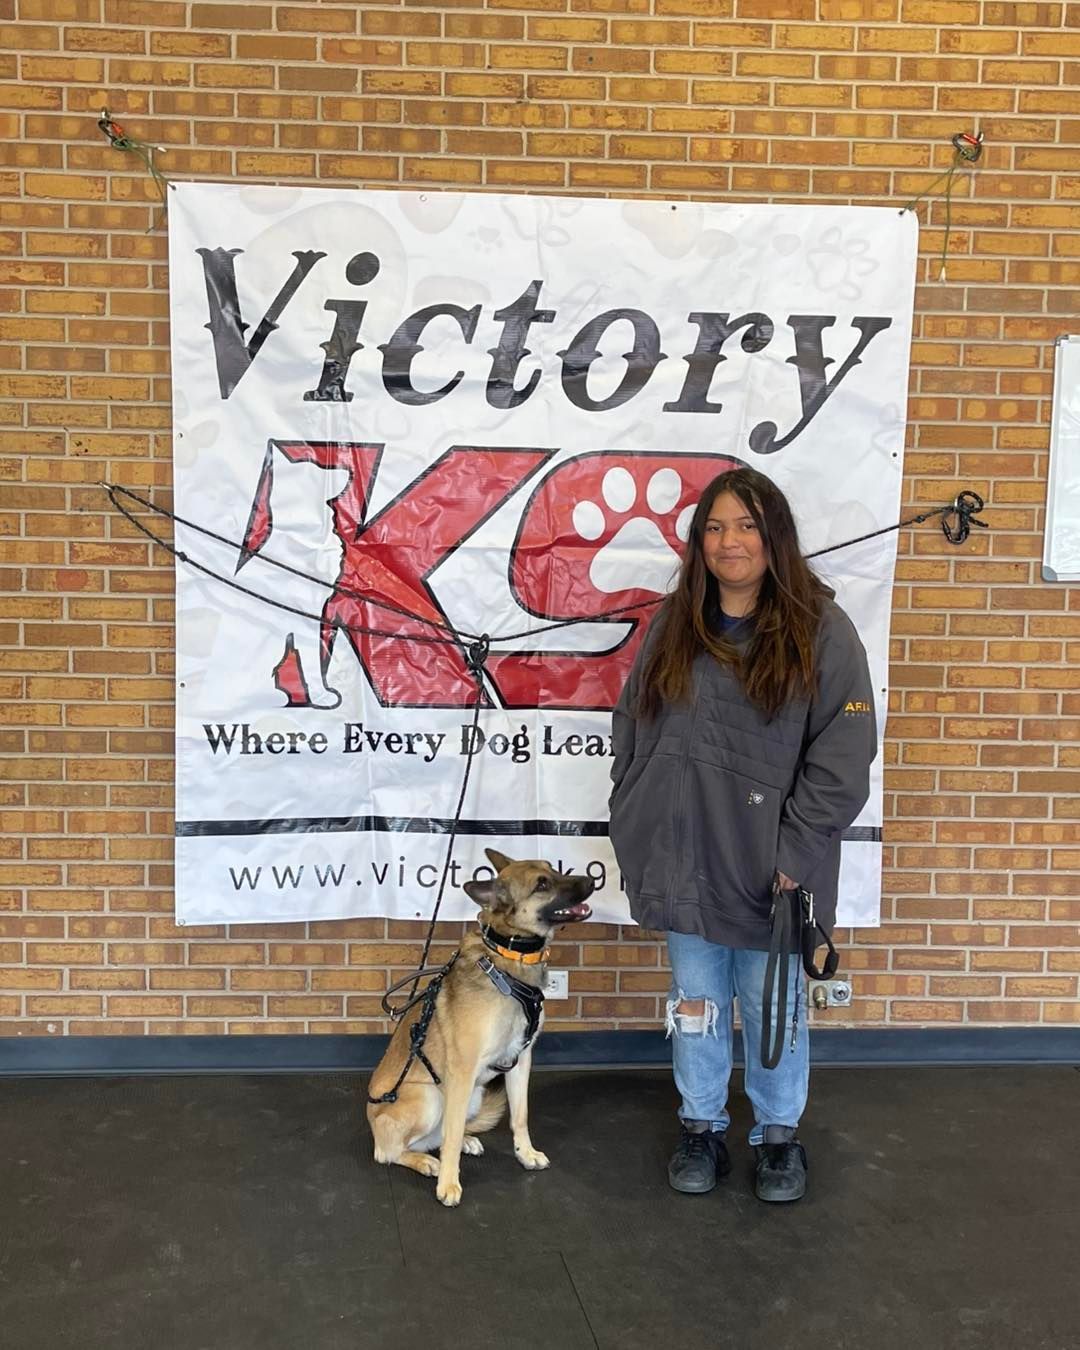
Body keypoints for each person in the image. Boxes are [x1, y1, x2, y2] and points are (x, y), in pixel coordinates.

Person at [608, 467, 877, 1203]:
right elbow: (632, 721)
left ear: (774, 538)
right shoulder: (674, 624)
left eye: (748, 526)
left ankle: (777, 1140)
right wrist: (631, 807)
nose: (731, 542)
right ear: (700, 542)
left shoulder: (822, 632)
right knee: (695, 1003)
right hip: (682, 857)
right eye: (717, 527)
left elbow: (843, 761)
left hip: (771, 871)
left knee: (772, 1009)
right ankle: (700, 1127)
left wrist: (793, 856)